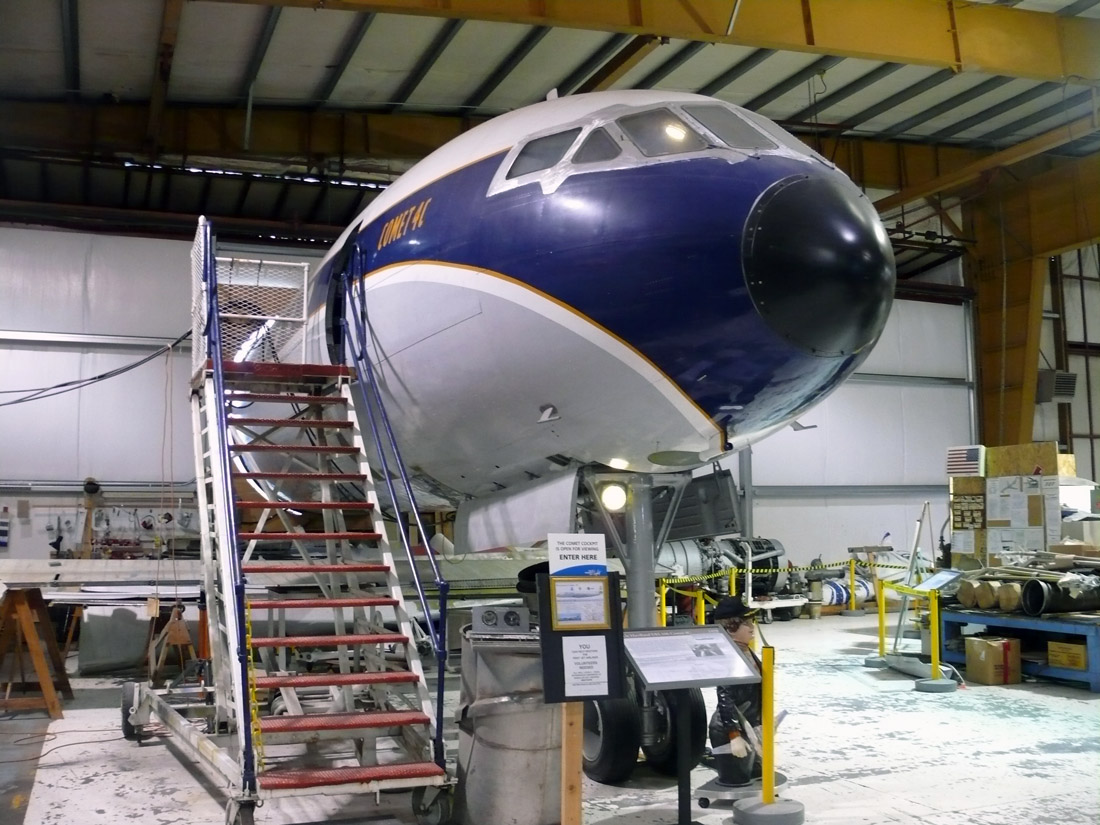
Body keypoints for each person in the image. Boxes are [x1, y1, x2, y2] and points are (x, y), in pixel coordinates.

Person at [708, 595, 763, 786]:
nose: (752, 627)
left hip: (749, 726)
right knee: (737, 780)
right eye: (745, 623)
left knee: (756, 774)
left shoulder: (746, 651)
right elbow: (725, 697)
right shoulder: (730, 658)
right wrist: (734, 735)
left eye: (752, 622)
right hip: (729, 729)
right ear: (730, 629)